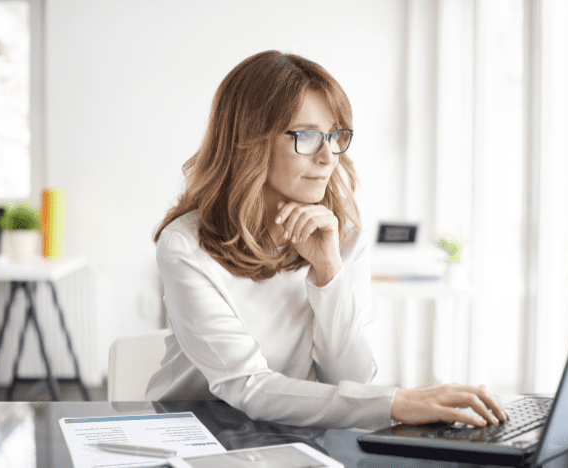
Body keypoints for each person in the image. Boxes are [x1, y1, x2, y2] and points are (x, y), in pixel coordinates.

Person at [146, 50, 508, 430]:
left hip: (287, 432)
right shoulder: (185, 246)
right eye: (306, 136)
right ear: (250, 141)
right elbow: (247, 386)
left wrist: (329, 271)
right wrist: (397, 401)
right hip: (190, 430)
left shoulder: (344, 236)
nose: (328, 156)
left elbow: (349, 380)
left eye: (335, 136)